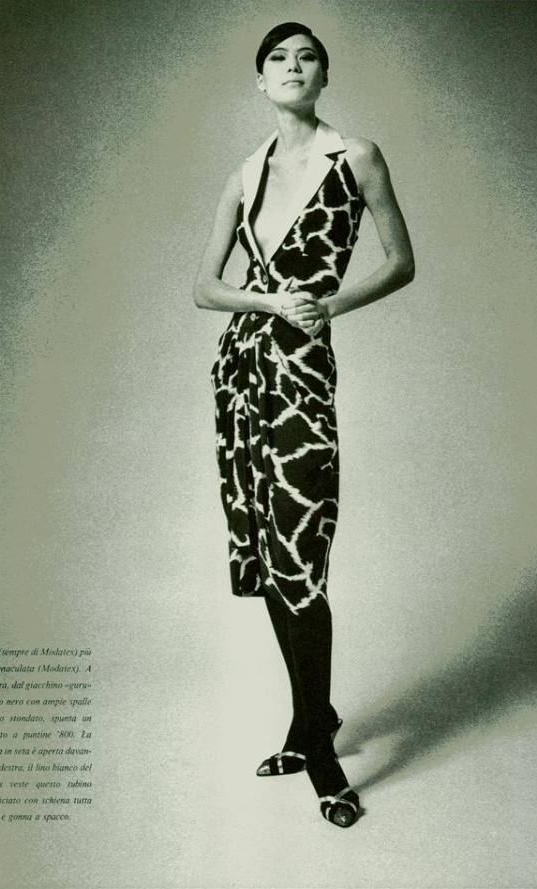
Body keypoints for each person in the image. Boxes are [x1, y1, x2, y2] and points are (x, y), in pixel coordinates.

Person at [194, 21, 415, 828]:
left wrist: (329, 305)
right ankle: (308, 719)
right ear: (261, 81)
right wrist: (266, 300)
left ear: (324, 77)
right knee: (263, 547)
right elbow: (203, 287)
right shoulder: (245, 172)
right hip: (239, 372)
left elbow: (401, 261)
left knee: (300, 550)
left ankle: (319, 751)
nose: (293, 66)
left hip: (299, 375)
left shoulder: (356, 157)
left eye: (307, 57)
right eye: (278, 59)